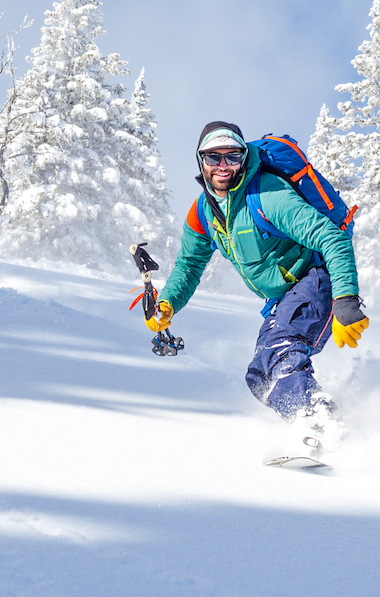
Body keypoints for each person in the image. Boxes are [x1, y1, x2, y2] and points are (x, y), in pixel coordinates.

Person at [145, 121, 368, 452]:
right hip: (283, 298)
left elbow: (330, 236)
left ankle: (318, 421)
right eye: (213, 158)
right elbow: (189, 265)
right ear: (200, 161)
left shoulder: (267, 194)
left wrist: (346, 299)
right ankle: (332, 425)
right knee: (260, 375)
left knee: (282, 347)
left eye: (232, 157)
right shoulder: (203, 212)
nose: (223, 166)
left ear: (243, 157)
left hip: (317, 279)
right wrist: (167, 305)